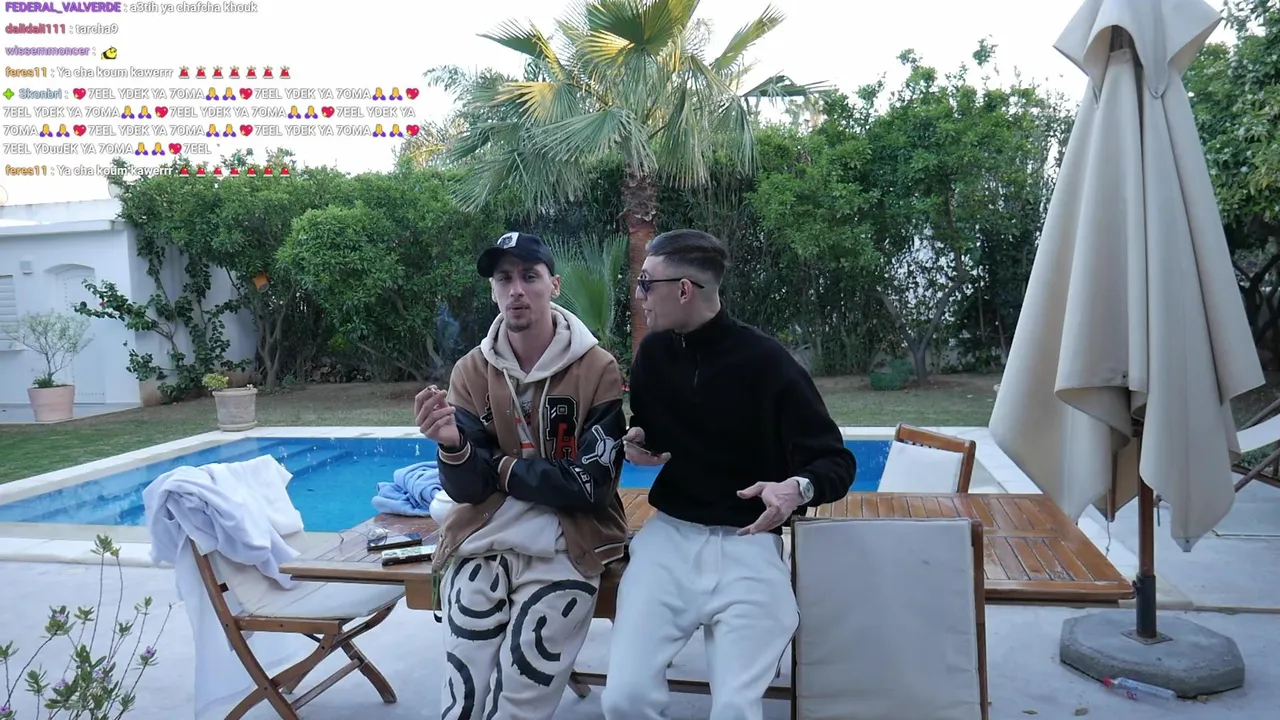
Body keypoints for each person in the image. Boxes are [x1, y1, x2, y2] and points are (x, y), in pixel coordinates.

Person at [600, 229, 856, 720]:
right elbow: (654, 429)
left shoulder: (768, 363)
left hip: (748, 545)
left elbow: (835, 462)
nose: (639, 293)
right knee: (624, 700)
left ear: (683, 289)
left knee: (736, 708)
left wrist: (795, 488)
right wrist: (640, 442)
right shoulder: (653, 356)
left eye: (646, 282)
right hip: (669, 540)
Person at [415, 231, 629, 720]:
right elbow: (469, 488)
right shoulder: (471, 371)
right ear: (493, 291)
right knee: (463, 686)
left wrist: (499, 465)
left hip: (571, 540)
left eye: (529, 276)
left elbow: (590, 487)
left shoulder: (597, 367)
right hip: (484, 535)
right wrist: (452, 445)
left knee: (526, 682)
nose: (516, 289)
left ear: (553, 285)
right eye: (503, 278)